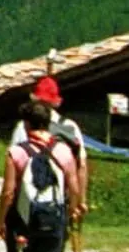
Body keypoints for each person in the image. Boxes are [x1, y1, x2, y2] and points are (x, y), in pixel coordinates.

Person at [0, 99, 85, 252]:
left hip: (22, 221)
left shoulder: (17, 152)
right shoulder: (63, 151)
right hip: (53, 219)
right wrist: (72, 210)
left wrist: (1, 222)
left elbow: (8, 193)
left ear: (26, 124)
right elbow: (74, 187)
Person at [12, 76, 90, 212]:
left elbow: (13, 164)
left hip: (27, 200)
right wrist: (81, 201)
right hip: (60, 200)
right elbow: (81, 165)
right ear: (54, 102)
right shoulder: (70, 127)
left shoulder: (23, 126)